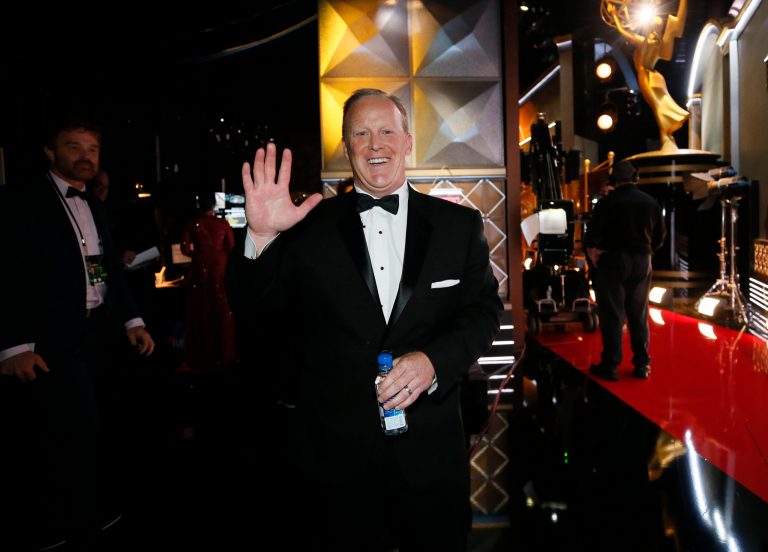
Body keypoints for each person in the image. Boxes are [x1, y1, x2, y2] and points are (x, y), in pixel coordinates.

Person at [227, 88, 503, 551]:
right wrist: (260, 236)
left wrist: (433, 361)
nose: (375, 145)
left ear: (408, 141)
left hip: (430, 455)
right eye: (361, 133)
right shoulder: (307, 226)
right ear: (346, 146)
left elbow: (484, 313)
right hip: (334, 458)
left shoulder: (459, 227)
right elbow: (254, 308)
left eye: (386, 131)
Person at [0, 117, 155, 550]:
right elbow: (5, 275)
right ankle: (50, 524)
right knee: (53, 434)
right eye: (74, 146)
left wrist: (132, 321)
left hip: (96, 336)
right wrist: (12, 346)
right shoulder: (23, 202)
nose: (85, 156)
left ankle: (85, 510)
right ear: (50, 152)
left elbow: (104, 272)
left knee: (93, 428)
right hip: (47, 340)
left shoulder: (95, 205)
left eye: (92, 149)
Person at [584, 159, 666, 381]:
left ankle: (611, 365)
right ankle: (642, 364)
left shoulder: (606, 203)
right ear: (635, 178)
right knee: (638, 312)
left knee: (612, 313)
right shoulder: (651, 202)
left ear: (613, 179)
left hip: (614, 260)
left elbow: (591, 237)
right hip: (642, 260)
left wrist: (595, 254)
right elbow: (659, 238)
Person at [602, 0, 688, 153]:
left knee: (659, 108)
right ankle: (667, 137)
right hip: (656, 78)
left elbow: (623, 32)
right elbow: (679, 23)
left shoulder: (644, 42)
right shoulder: (660, 44)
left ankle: (666, 137)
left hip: (647, 78)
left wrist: (615, 15)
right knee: (660, 107)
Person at [179, 192, 237, 372]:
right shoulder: (222, 224)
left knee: (201, 307)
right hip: (220, 267)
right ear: (213, 206)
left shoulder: (192, 223)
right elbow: (232, 247)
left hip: (201, 267)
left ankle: (202, 355)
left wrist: (198, 255)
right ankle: (225, 354)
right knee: (221, 308)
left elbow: (184, 248)